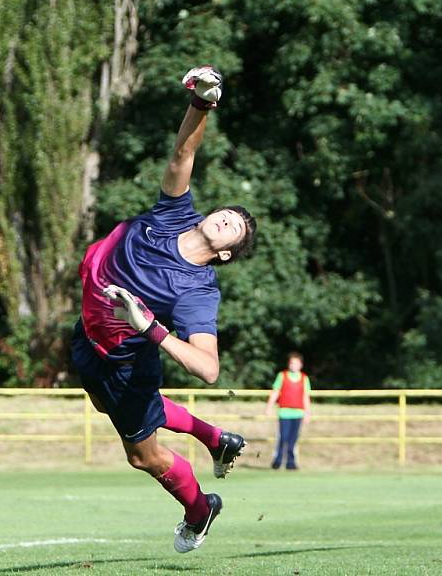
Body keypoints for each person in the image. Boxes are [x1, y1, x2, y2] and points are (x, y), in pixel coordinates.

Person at [70, 65, 257, 554]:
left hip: (127, 361)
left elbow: (209, 369)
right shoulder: (174, 211)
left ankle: (200, 508)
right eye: (230, 213)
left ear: (225, 253)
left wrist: (149, 327)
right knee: (102, 405)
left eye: (235, 229)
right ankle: (217, 437)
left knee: (144, 457)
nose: (228, 218)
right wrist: (203, 101)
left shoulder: (198, 289)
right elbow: (184, 151)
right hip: (88, 335)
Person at [265, 352, 312, 470]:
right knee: (283, 438)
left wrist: (307, 413)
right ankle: (277, 461)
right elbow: (275, 392)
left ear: (301, 365)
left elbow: (305, 396)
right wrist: (269, 407)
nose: (293, 365)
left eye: (296, 363)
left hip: (298, 413)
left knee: (293, 439)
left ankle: (291, 462)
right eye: (291, 363)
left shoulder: (304, 378)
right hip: (284, 412)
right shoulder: (282, 375)